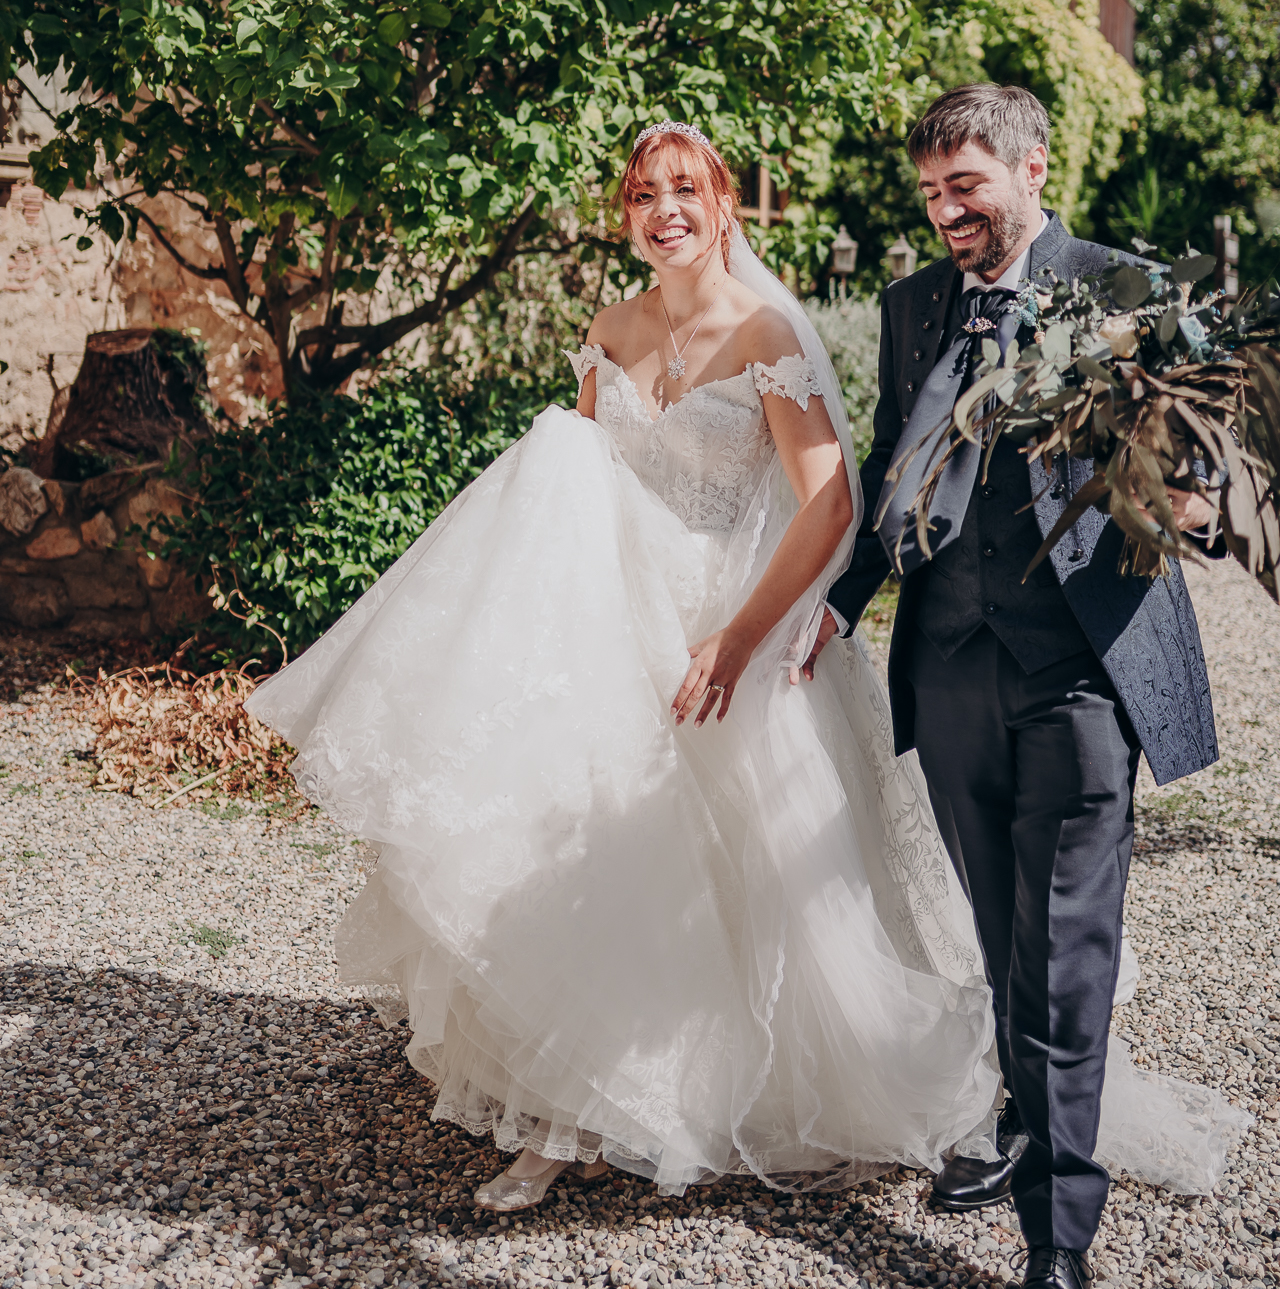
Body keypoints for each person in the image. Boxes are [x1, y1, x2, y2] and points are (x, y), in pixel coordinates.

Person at [249, 119, 1005, 1209]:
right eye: (645, 194)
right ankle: (561, 1104)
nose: (665, 211)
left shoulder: (762, 333)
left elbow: (829, 502)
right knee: (572, 846)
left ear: (724, 204)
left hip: (717, 622)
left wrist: (738, 639)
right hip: (604, 617)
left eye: (685, 190)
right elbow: (585, 484)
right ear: (627, 215)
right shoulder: (609, 324)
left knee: (683, 868)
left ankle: (663, 1089)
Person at [820, 83, 1245, 1289]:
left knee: (1064, 953)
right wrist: (836, 609)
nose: (945, 210)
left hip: (1079, 675)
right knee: (1004, 935)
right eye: (931, 193)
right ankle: (1022, 1122)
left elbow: (1209, 458)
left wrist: (1195, 504)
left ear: (1029, 168)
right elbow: (887, 468)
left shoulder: (1125, 289)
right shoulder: (912, 308)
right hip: (948, 665)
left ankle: (1057, 1237)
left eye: (965, 187)